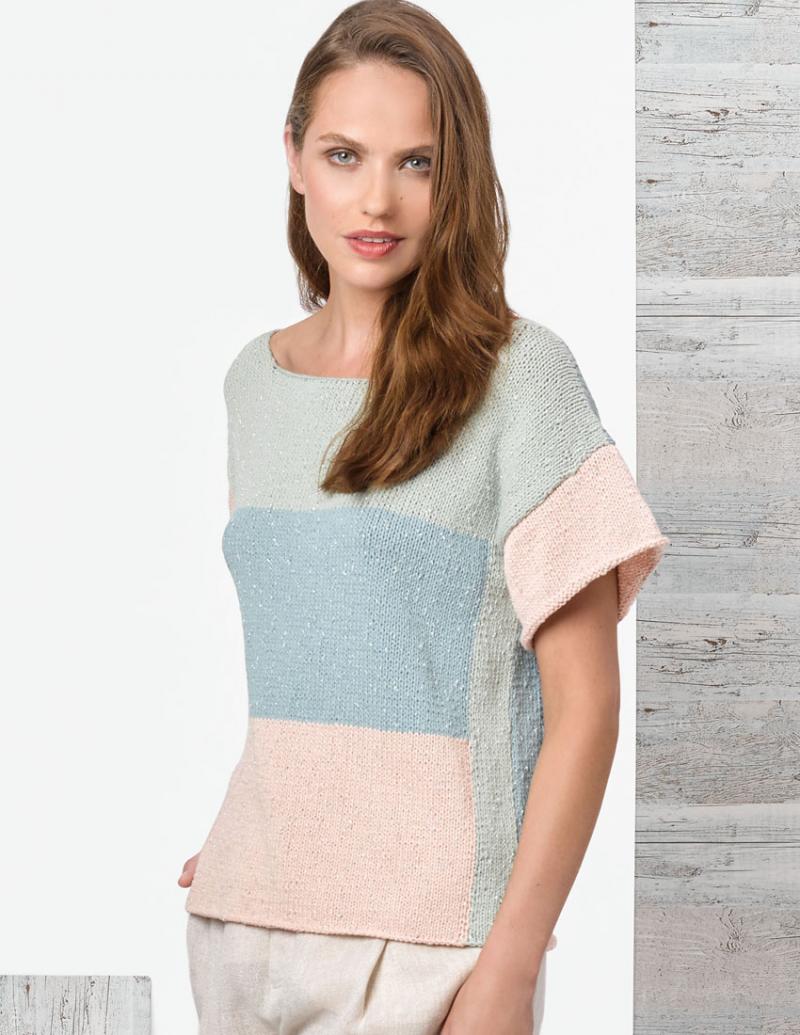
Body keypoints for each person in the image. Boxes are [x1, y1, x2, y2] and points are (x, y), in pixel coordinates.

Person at [177, 1, 670, 1032]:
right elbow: (313, 651)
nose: (377, 198)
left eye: (417, 163)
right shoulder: (252, 384)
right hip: (244, 925)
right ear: (293, 157)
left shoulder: (521, 381)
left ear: (459, 177)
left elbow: (584, 705)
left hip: (431, 949)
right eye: (344, 155)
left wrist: (508, 968)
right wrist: (260, 836)